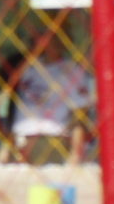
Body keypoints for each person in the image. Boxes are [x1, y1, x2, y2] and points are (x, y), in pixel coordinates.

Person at [8, 20, 94, 166]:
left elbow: (79, 116)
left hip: (49, 140)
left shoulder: (71, 71)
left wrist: (75, 154)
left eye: (52, 39)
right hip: (19, 139)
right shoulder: (29, 69)